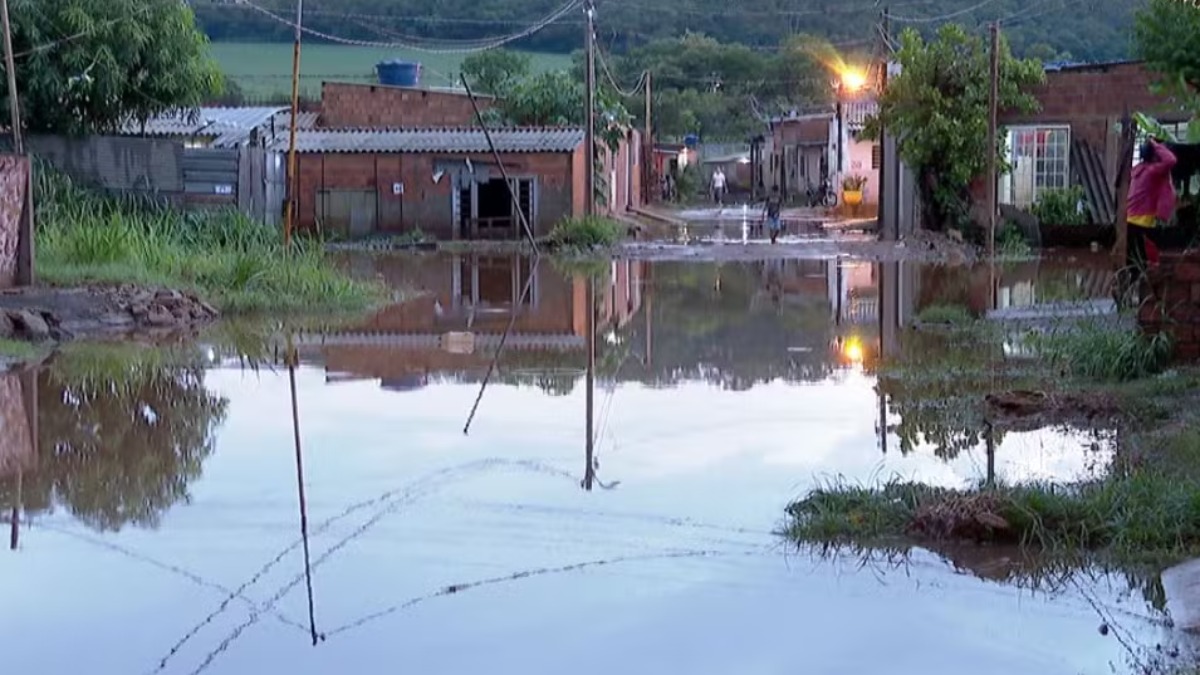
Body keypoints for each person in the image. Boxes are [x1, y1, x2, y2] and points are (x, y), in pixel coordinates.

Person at [1127, 137, 1177, 272]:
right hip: (1142, 221)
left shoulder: (1138, 170)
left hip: (1131, 219)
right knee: (1144, 261)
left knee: (1134, 261)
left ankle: (1131, 289)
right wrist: (1155, 145)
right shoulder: (1152, 171)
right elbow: (1171, 160)